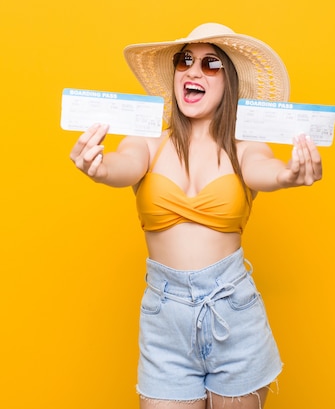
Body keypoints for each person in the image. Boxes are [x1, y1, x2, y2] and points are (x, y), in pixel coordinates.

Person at [70, 23, 322, 409]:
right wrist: (98, 167)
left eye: (210, 64)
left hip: (233, 310)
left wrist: (289, 176)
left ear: (229, 82)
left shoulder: (245, 147)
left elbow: (264, 171)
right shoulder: (148, 142)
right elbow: (121, 166)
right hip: (164, 317)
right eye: (185, 60)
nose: (193, 71)